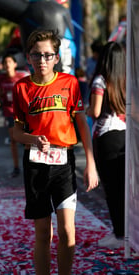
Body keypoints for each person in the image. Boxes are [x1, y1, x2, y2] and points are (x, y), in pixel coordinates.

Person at [12, 29, 99, 275]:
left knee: (67, 232)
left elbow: (82, 124)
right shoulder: (21, 88)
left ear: (57, 58)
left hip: (64, 164)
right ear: (28, 57)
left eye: (48, 55)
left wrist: (90, 164)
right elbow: (16, 133)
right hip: (35, 166)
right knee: (43, 233)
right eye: (37, 55)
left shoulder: (69, 83)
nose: (42, 61)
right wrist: (33, 139)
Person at [86, 41, 126, 249]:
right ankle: (128, 234)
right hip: (125, 136)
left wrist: (84, 110)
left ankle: (119, 234)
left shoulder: (101, 80)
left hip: (107, 137)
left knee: (112, 189)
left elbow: (95, 111)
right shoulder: (127, 81)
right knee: (125, 189)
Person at [0, 53, 28, 178]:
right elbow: (0, 91)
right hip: (9, 110)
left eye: (9, 62)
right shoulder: (1, 78)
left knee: (26, 140)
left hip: (23, 111)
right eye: (5, 62)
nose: (7, 64)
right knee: (13, 139)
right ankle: (16, 167)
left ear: (15, 64)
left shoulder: (22, 77)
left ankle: (30, 165)